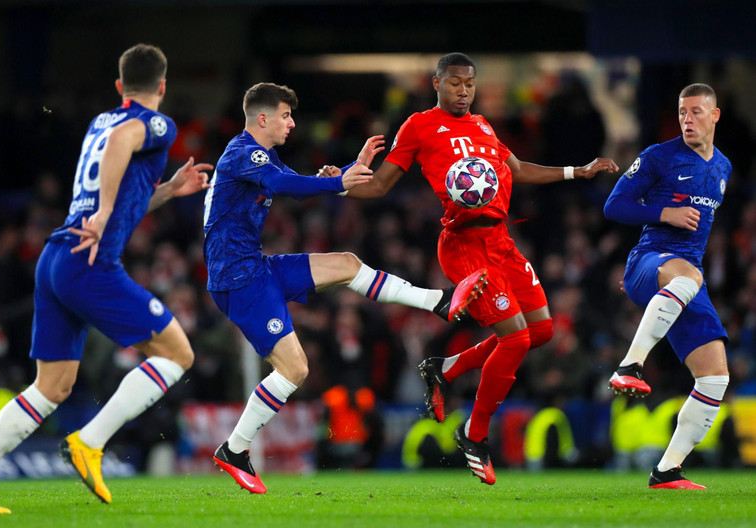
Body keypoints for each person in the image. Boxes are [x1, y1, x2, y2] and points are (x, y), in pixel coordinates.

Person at [0, 44, 213, 514]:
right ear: (163, 87)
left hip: (58, 257)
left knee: (52, 387)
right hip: (89, 262)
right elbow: (121, 150)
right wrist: (108, 210)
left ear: (118, 86)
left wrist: (167, 191)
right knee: (178, 353)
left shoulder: (98, 122)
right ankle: (90, 442)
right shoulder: (154, 124)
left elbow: (117, 191)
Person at [341, 52, 618, 485]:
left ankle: (446, 368)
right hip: (464, 244)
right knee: (515, 337)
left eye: (470, 83)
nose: (464, 90)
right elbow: (378, 184)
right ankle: (473, 434)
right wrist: (336, 181)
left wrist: (577, 171)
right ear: (437, 83)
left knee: (541, 332)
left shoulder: (485, 126)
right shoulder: (418, 126)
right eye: (455, 83)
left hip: (501, 241)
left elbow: (519, 169)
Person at [203, 82, 487, 494]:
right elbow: (283, 186)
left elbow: (291, 185)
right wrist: (339, 184)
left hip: (254, 267)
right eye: (286, 115)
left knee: (347, 264)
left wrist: (336, 175)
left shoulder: (259, 157)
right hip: (238, 278)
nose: (292, 122)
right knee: (295, 369)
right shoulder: (244, 153)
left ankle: (439, 301)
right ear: (262, 118)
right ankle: (235, 448)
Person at [604, 83, 730, 490]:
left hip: (683, 281)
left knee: (714, 377)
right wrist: (667, 214)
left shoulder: (723, 168)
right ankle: (629, 365)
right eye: (681, 113)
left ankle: (667, 470)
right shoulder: (658, 157)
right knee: (689, 276)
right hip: (650, 260)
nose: (687, 120)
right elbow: (614, 205)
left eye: (696, 112)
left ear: (715, 116)